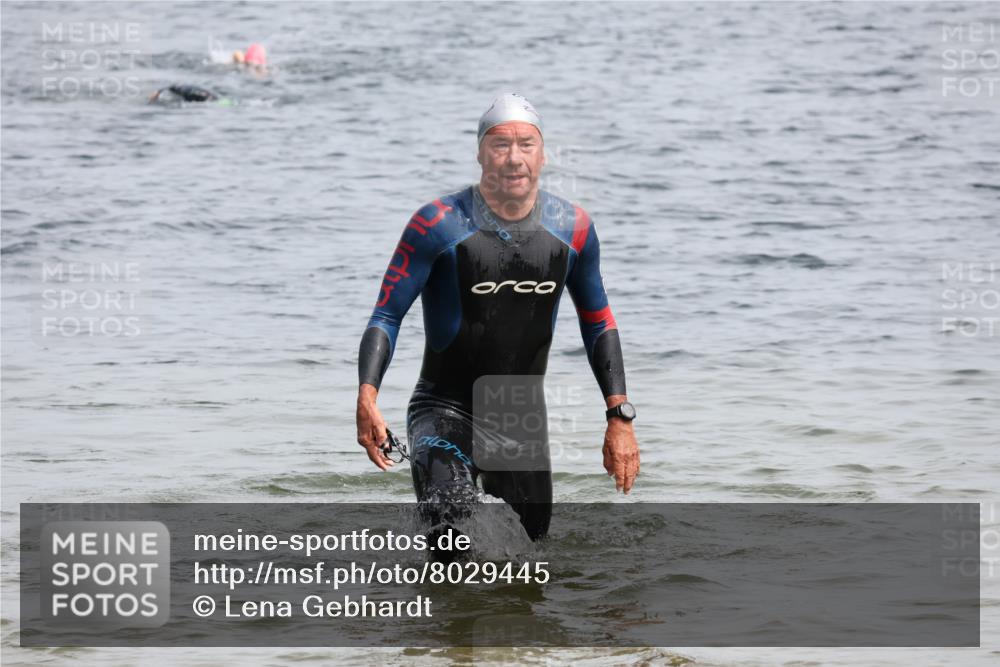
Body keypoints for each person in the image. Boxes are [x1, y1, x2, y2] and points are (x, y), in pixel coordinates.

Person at [356, 93, 639, 542]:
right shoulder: (438, 224)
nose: (513, 159)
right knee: (450, 532)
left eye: (526, 145)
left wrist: (619, 417)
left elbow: (599, 322)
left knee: (532, 560)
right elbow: (387, 315)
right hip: (443, 408)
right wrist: (367, 396)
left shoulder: (574, 229)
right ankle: (436, 610)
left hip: (518, 420)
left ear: (543, 154)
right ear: (480, 153)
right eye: (499, 145)